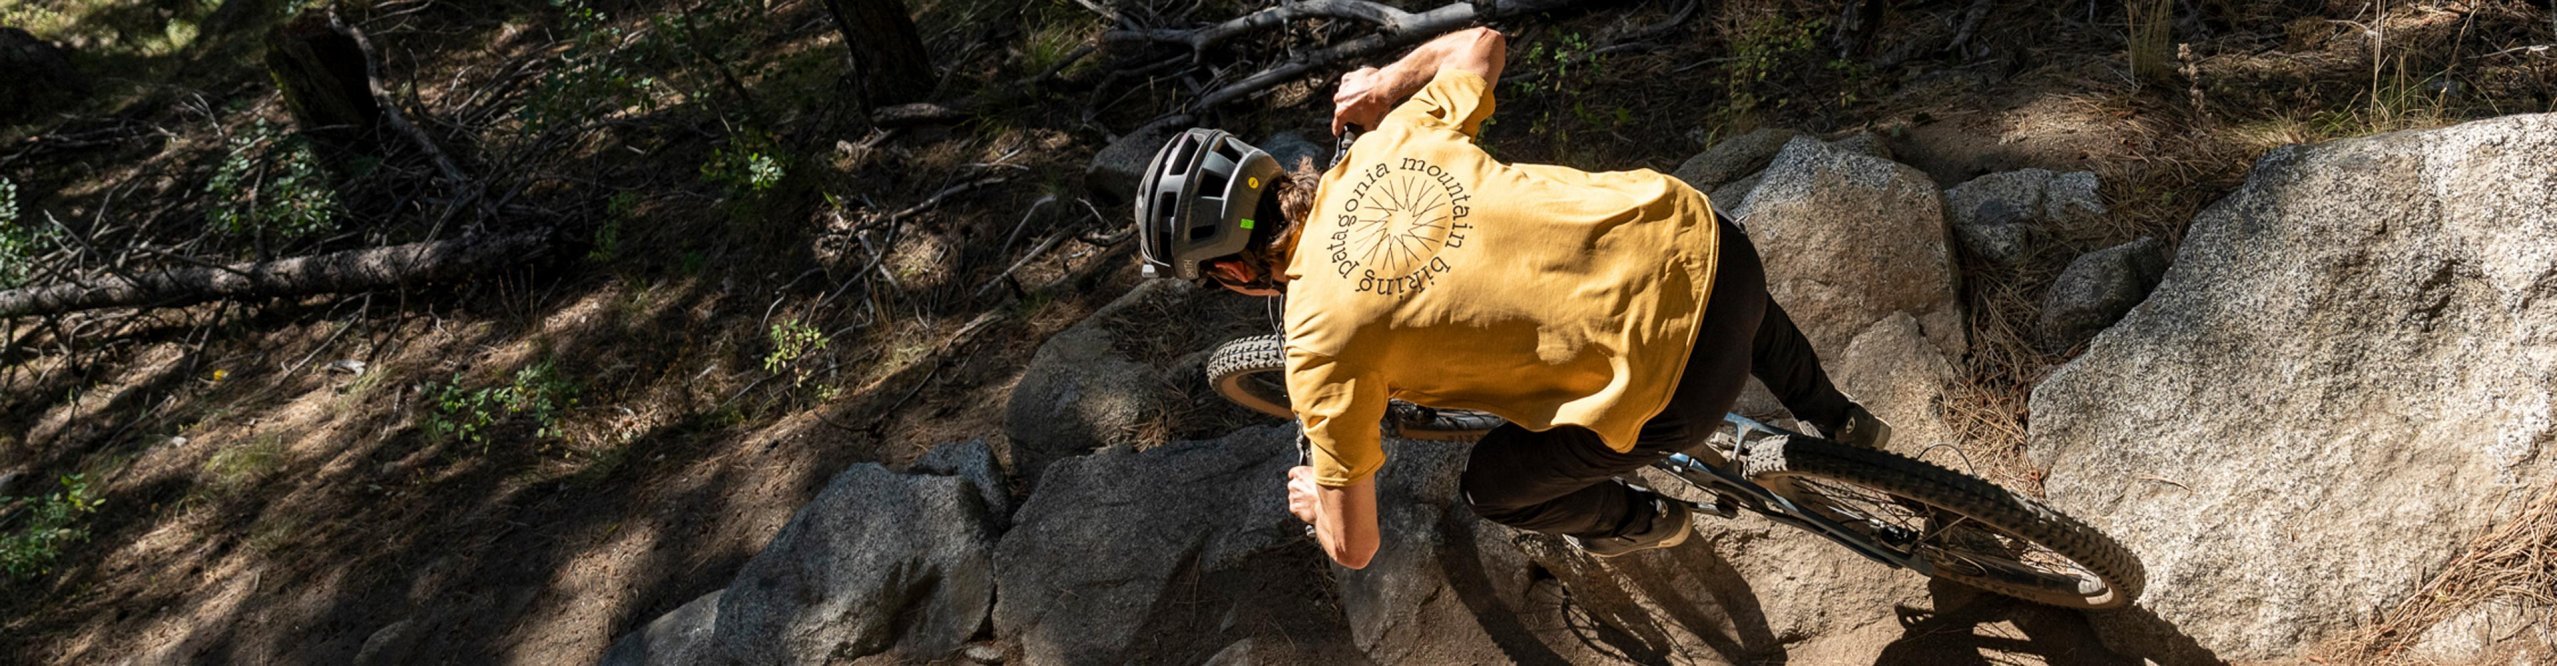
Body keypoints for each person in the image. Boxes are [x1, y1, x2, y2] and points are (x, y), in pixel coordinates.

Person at [1131, 27, 1891, 569]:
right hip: (1713, 242)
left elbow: (1354, 548)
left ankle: (1647, 522)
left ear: (1229, 274)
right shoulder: (1390, 140)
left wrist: (1312, 503)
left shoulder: (1321, 352)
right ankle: (1836, 416)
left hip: (1681, 390)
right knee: (1688, 264)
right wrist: (1387, 82)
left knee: (1493, 489)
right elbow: (1481, 42)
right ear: (1271, 171)